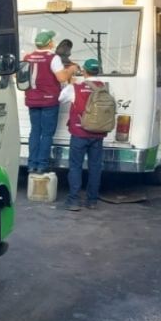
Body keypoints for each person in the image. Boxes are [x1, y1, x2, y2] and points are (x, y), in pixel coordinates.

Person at [24, 30, 79, 173]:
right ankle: (42, 165)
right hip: (49, 101)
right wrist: (71, 69)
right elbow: (61, 78)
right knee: (47, 134)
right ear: (49, 43)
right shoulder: (52, 58)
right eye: (52, 40)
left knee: (35, 131)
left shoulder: (27, 57)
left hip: (32, 99)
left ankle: (31, 164)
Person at [60, 58, 108, 211]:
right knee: (95, 167)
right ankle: (92, 201)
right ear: (98, 71)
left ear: (84, 71)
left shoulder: (76, 87)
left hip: (79, 133)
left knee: (75, 166)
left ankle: (73, 200)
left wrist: (69, 84)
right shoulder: (105, 88)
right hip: (98, 134)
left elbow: (61, 99)